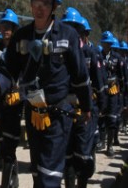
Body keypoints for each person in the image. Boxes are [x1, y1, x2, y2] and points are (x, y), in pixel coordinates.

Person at [0, 0, 92, 188]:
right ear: (31, 3)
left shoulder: (68, 36)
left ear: (54, 7)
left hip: (58, 116)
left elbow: (81, 76)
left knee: (48, 177)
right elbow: (9, 69)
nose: (40, 7)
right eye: (36, 0)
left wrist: (87, 106)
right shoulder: (21, 36)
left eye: (46, 2)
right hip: (33, 115)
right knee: (38, 174)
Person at [61, 10, 105, 188]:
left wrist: (100, 106)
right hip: (65, 110)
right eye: (68, 27)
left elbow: (98, 82)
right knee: (67, 156)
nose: (71, 31)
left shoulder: (90, 53)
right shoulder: (59, 52)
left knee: (83, 155)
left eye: (75, 28)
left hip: (85, 111)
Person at [0, 8, 21, 186]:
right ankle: (10, 173)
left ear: (14, 28)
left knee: (11, 141)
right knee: (0, 135)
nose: (5, 29)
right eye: (3, 25)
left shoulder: (21, 49)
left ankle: (9, 178)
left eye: (9, 26)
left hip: (15, 104)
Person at [100, 31, 124, 157]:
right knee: (101, 118)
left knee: (111, 118)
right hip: (101, 91)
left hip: (113, 92)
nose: (107, 46)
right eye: (105, 43)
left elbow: (121, 77)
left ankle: (109, 145)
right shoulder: (98, 56)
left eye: (109, 44)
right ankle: (101, 141)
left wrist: (120, 93)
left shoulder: (117, 58)